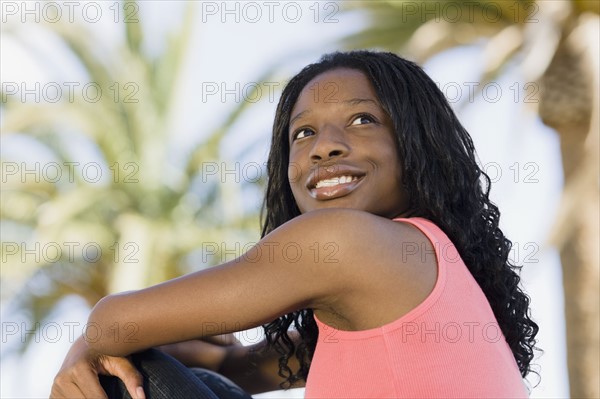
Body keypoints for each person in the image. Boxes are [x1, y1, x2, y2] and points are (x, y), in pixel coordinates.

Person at [50, 50, 539, 398]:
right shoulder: (421, 268)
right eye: (303, 132)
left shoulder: (347, 241)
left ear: (418, 146)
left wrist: (89, 347)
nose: (323, 146)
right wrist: (116, 343)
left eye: (362, 120)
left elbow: (113, 323)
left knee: (117, 383)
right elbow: (233, 369)